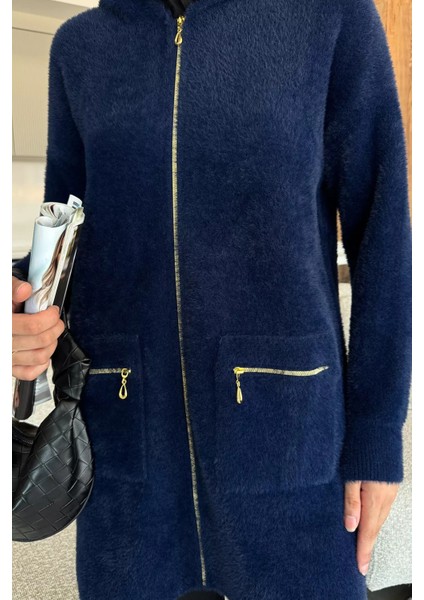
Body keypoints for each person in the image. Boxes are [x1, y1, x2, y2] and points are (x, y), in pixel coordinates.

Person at [12, 0, 412, 598]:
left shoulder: (331, 18)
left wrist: (377, 433)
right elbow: (67, 233)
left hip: (290, 444)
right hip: (127, 446)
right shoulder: (80, 48)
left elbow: (382, 231)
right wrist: (20, 302)